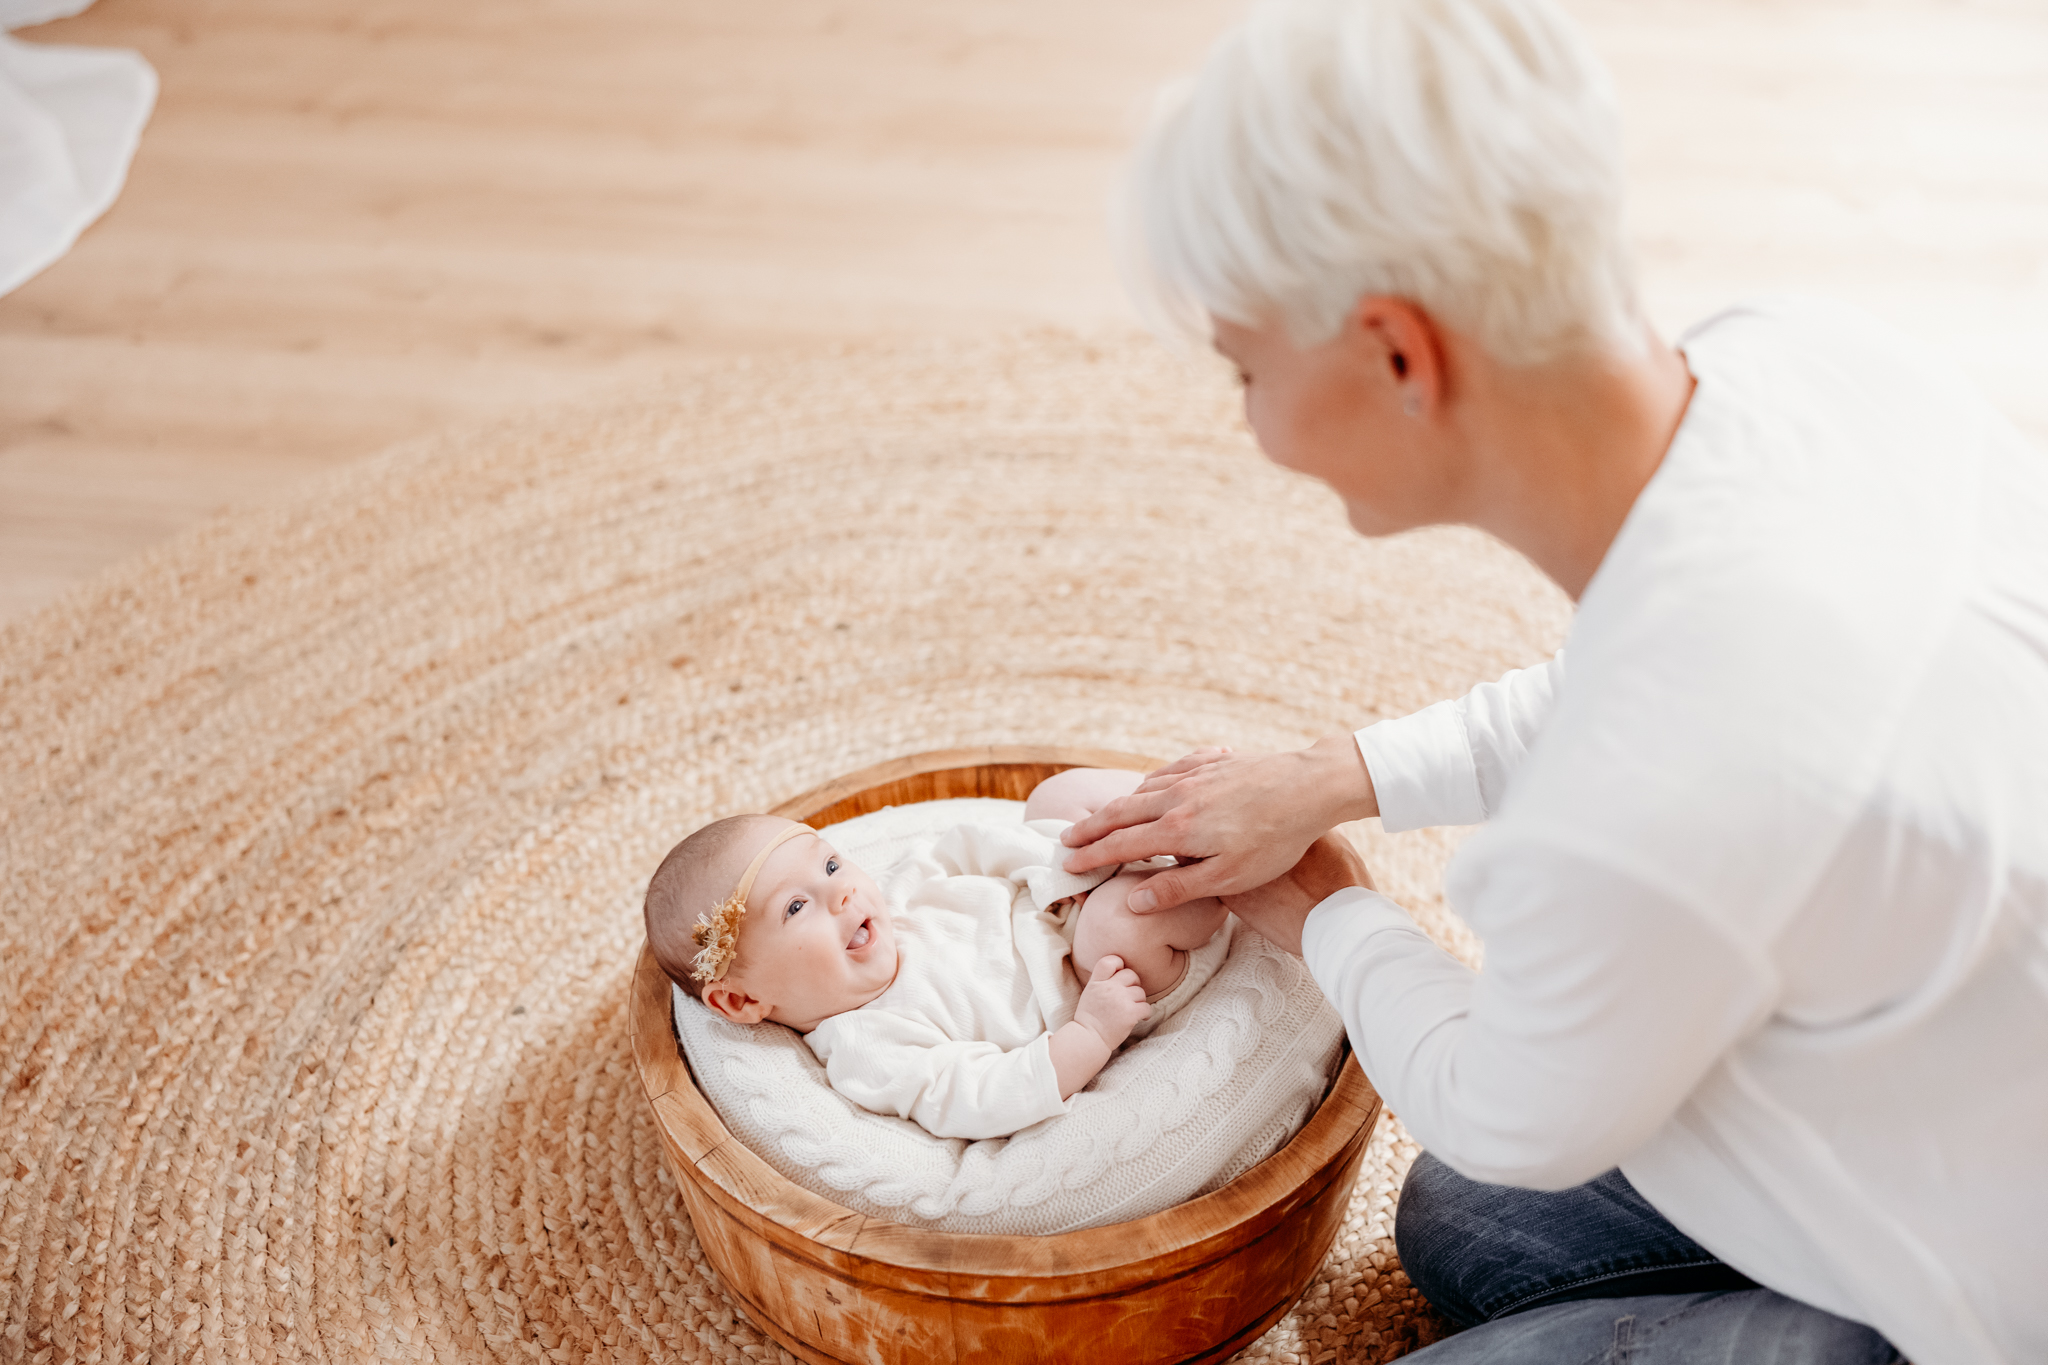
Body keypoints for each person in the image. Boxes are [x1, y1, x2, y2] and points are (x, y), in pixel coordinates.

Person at [1062, 0, 2048, 1361]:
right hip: (1971, 1084)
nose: (1247, 419)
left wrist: (1326, 908)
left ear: (1401, 354)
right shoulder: (1795, 360)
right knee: (1468, 1230)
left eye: (1245, 370)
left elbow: (1504, 1101)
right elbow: (1647, 687)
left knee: (1494, 1166)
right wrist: (1340, 773)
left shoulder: (1647, 802)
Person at [642, 766, 1231, 1140]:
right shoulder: (868, 1045)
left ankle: (1199, 804)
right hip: (1095, 975)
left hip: (1059, 895)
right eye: (796, 908)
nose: (842, 891)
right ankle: (1231, 876)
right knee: (1118, 922)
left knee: (1059, 797)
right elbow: (984, 1096)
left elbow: (966, 846)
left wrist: (1059, 868)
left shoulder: (894, 897)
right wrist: (1093, 1033)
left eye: (829, 865)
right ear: (742, 998)